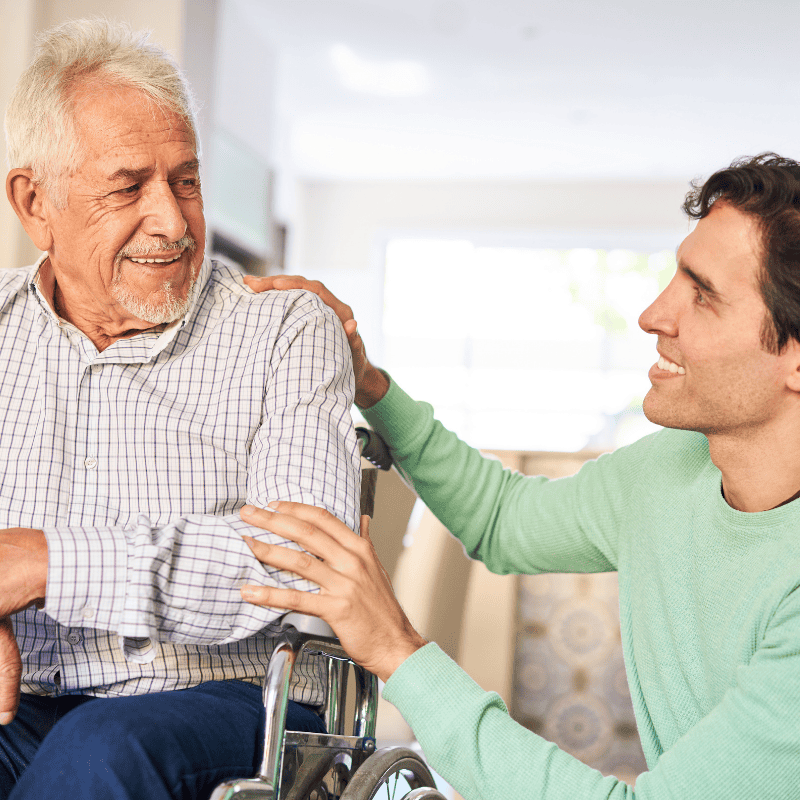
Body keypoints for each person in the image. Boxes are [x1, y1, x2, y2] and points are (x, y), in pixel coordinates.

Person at [238, 154, 800, 799]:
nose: (653, 314)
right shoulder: (669, 467)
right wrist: (371, 387)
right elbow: (502, 521)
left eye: (702, 296)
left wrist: (397, 648)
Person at [0, 18, 360, 800]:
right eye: (129, 187)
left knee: (104, 749)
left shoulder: (286, 327)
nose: (172, 221)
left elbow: (294, 561)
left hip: (231, 699)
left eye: (186, 180)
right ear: (36, 203)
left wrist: (44, 562)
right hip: (18, 704)